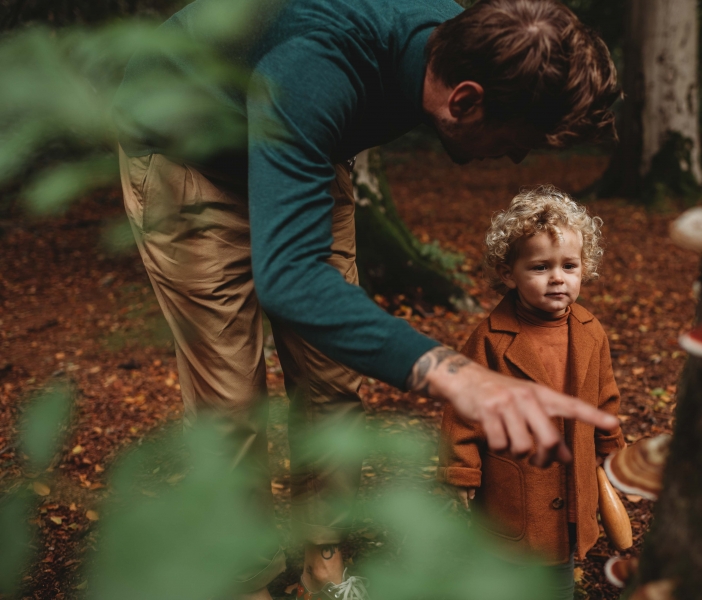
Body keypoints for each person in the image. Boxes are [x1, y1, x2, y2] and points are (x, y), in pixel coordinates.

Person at [113, 0, 621, 597]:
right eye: (516, 141)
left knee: (332, 378)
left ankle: (323, 570)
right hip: (189, 158)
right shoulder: (314, 69)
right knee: (229, 399)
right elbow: (290, 277)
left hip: (307, 149)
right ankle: (245, 578)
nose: (514, 158)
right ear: (464, 100)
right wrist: (454, 373)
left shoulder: (457, 37)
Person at [438, 186, 625, 600]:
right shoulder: (490, 338)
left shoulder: (590, 332)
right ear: (509, 274)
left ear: (584, 268)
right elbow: (462, 410)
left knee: (559, 573)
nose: (558, 278)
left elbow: (605, 398)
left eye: (569, 266)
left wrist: (612, 451)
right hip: (515, 487)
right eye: (540, 267)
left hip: (572, 484)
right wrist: (462, 470)